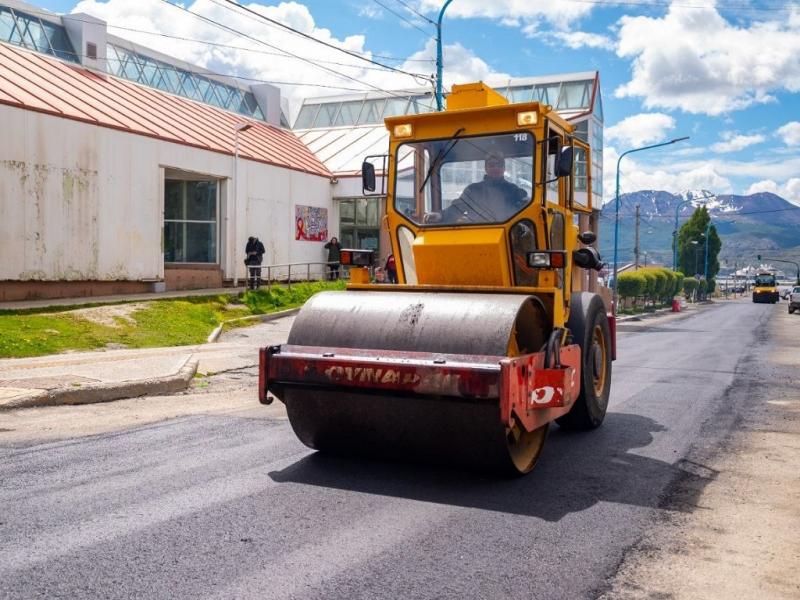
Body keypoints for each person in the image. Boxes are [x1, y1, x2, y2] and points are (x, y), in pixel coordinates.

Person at [428, 150, 528, 224]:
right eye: (492, 165)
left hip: (507, 235)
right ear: (486, 168)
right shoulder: (473, 190)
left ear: (504, 168)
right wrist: (440, 216)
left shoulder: (514, 191)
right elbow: (458, 208)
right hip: (478, 233)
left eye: (499, 165)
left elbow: (525, 209)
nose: (495, 168)